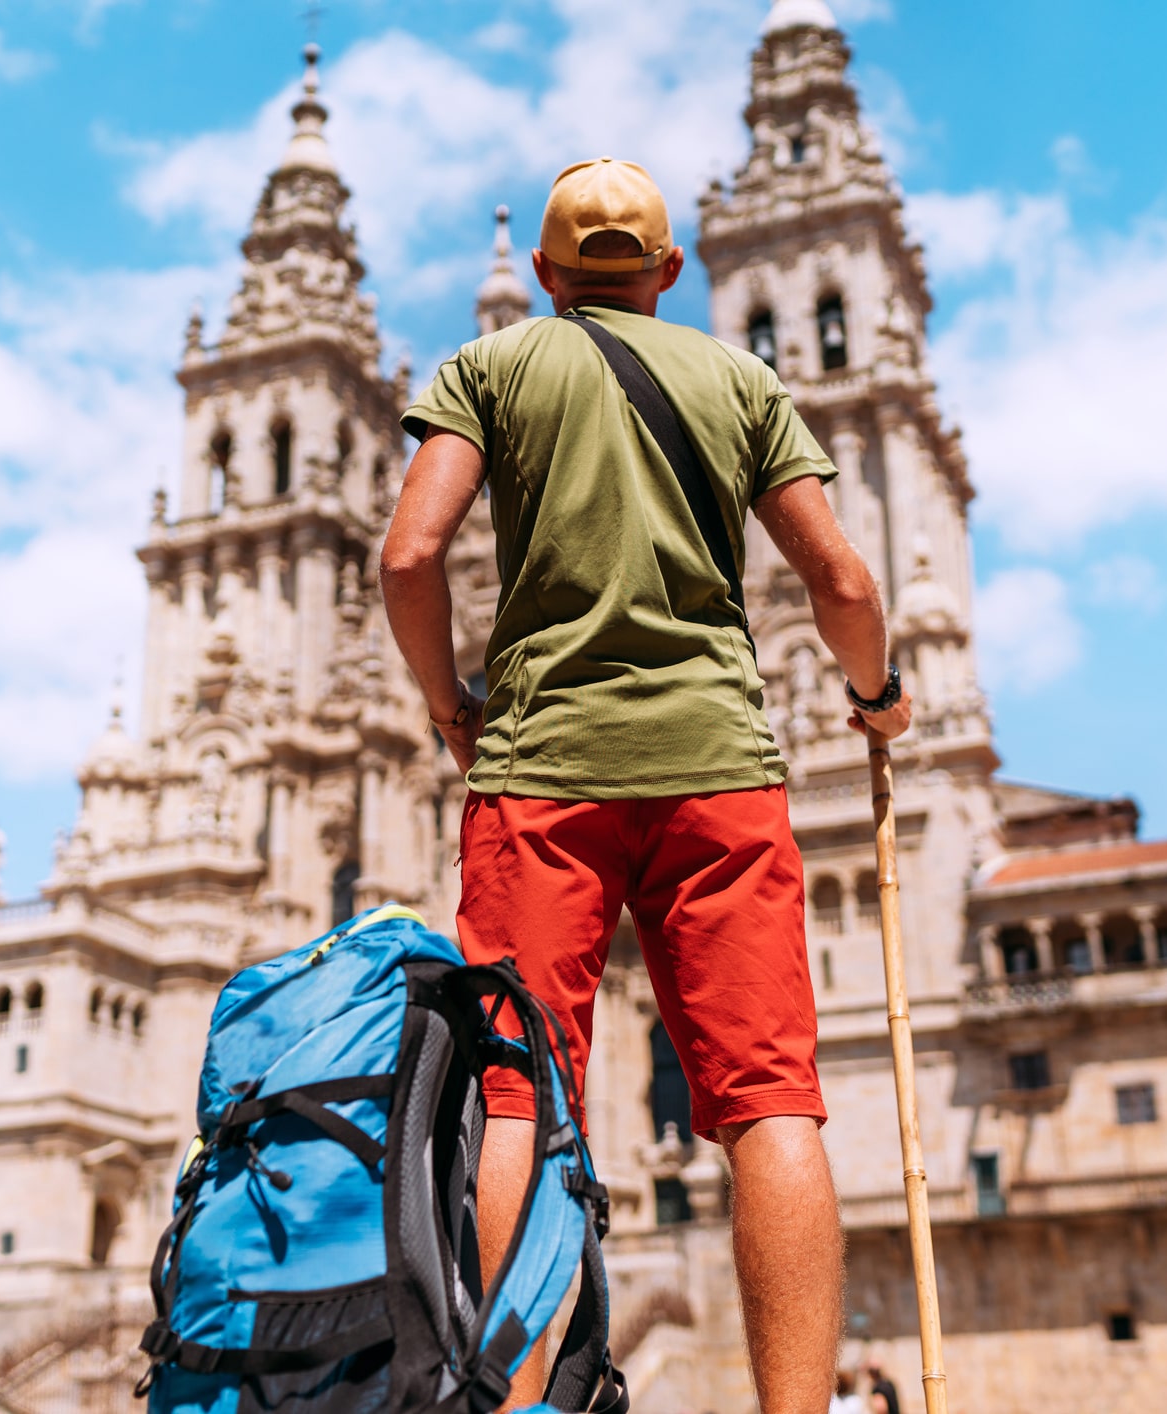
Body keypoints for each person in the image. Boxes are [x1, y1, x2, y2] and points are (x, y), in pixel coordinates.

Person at [383, 155, 912, 1414]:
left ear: (548, 277)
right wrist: (876, 695)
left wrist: (449, 704)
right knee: (771, 1103)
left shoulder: (491, 368)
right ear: (673, 272)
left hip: (538, 774)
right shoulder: (741, 380)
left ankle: (501, 1396)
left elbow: (411, 554)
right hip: (719, 775)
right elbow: (842, 582)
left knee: (515, 1090)